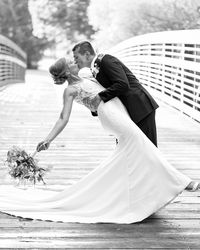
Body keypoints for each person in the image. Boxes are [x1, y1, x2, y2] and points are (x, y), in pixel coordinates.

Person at [0, 58, 199, 224]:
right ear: (66, 71)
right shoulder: (70, 90)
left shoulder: (87, 74)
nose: (73, 60)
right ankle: (182, 182)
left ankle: (137, 195)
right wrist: (48, 140)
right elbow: (63, 118)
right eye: (69, 62)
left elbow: (114, 80)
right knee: (142, 144)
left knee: (133, 151)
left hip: (121, 111)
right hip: (111, 116)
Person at [72, 41, 159, 146]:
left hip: (140, 107)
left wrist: (100, 97)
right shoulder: (95, 68)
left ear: (86, 54)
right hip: (127, 112)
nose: (75, 61)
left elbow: (122, 84)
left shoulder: (105, 60)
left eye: (76, 57)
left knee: (148, 148)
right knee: (125, 148)